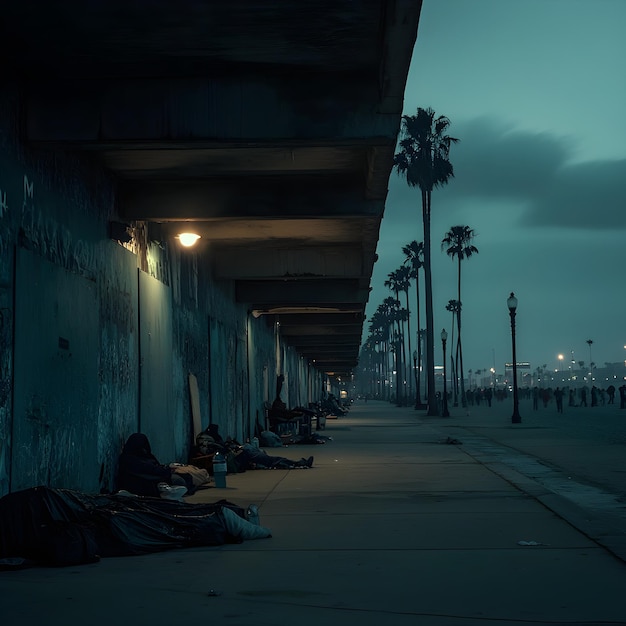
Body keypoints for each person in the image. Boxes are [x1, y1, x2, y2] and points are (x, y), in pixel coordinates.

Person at [117, 433, 191, 497]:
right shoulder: (129, 458)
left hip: (153, 478)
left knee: (185, 477)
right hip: (140, 483)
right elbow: (148, 470)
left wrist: (166, 469)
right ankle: (165, 491)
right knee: (178, 480)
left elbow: (155, 467)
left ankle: (166, 489)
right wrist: (166, 471)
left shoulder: (146, 456)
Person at [232, 443, 313, 471]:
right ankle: (299, 464)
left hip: (249, 456)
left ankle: (299, 463)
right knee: (276, 460)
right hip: (249, 457)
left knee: (276, 460)